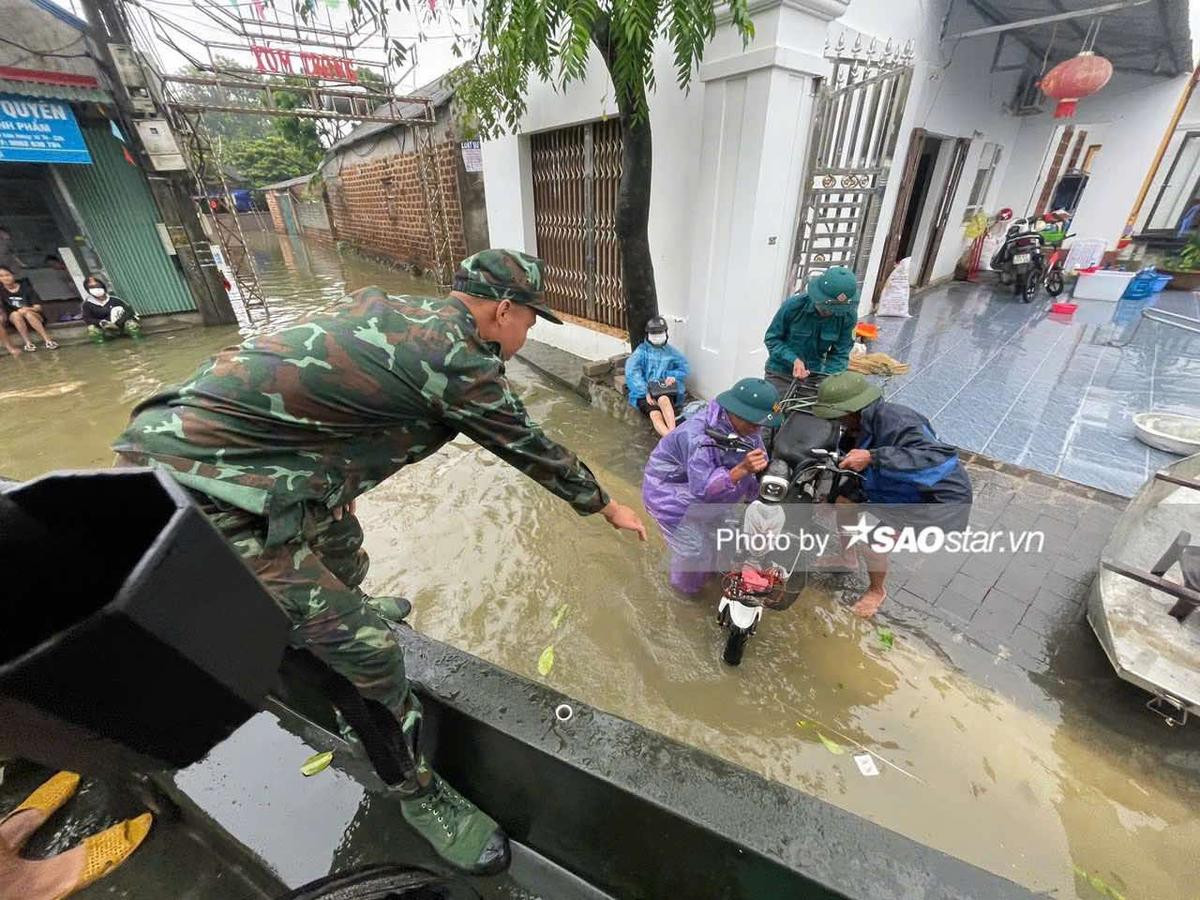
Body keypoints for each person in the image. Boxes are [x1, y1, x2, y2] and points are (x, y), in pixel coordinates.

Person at [112, 249, 646, 876]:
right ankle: (416, 792)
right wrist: (607, 504)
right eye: (529, 321)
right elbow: (528, 445)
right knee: (369, 654)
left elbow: (337, 400)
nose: (527, 335)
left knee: (342, 539)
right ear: (503, 309)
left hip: (225, 452)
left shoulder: (406, 313)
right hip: (204, 489)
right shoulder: (457, 361)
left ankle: (336, 610)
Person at [809, 372, 973, 618]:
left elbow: (939, 459)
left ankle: (877, 591)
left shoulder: (898, 421)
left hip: (936, 498)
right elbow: (846, 467)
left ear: (853, 410)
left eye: (839, 417)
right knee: (845, 502)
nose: (838, 423)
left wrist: (874, 457)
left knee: (874, 545)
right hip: (896, 485)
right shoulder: (859, 427)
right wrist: (830, 498)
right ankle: (847, 557)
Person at [642, 377, 780, 595]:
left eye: (761, 423)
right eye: (753, 422)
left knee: (723, 536)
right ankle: (685, 596)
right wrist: (740, 470)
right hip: (670, 494)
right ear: (736, 412)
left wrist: (760, 500)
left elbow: (756, 469)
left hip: (714, 493)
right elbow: (702, 489)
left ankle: (713, 577)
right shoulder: (698, 437)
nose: (757, 429)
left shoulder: (748, 431)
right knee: (694, 550)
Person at [763, 265, 860, 397]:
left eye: (835, 311)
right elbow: (772, 339)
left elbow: (840, 354)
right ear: (816, 297)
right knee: (775, 411)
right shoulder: (793, 307)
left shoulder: (848, 316)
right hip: (780, 373)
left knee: (807, 414)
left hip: (815, 376)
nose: (829, 313)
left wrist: (828, 379)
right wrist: (794, 360)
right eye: (826, 309)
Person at [625, 315, 689, 437]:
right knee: (654, 413)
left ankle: (672, 432)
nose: (658, 335)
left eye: (660, 332)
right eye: (654, 333)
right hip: (644, 393)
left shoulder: (671, 352)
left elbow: (684, 368)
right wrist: (646, 390)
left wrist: (672, 376)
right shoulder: (641, 352)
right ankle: (669, 437)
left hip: (664, 389)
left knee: (663, 399)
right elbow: (632, 373)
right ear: (648, 335)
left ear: (666, 333)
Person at [0, 265, 58, 353]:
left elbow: (38, 307)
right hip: (15, 319)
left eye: (7, 275)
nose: (5, 278)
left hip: (34, 316)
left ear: (13, 275)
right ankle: (28, 343)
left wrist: (27, 309)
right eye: (1, 276)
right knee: (16, 315)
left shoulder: (26, 288)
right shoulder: (1, 292)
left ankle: (48, 340)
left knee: (28, 314)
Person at [80, 275, 142, 341]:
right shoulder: (87, 304)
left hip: (121, 326)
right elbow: (87, 319)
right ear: (88, 290)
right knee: (92, 329)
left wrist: (118, 322)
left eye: (97, 286)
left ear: (103, 286)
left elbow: (130, 312)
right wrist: (101, 322)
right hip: (104, 329)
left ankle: (138, 341)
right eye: (91, 287)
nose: (96, 289)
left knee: (132, 324)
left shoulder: (115, 300)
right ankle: (103, 347)